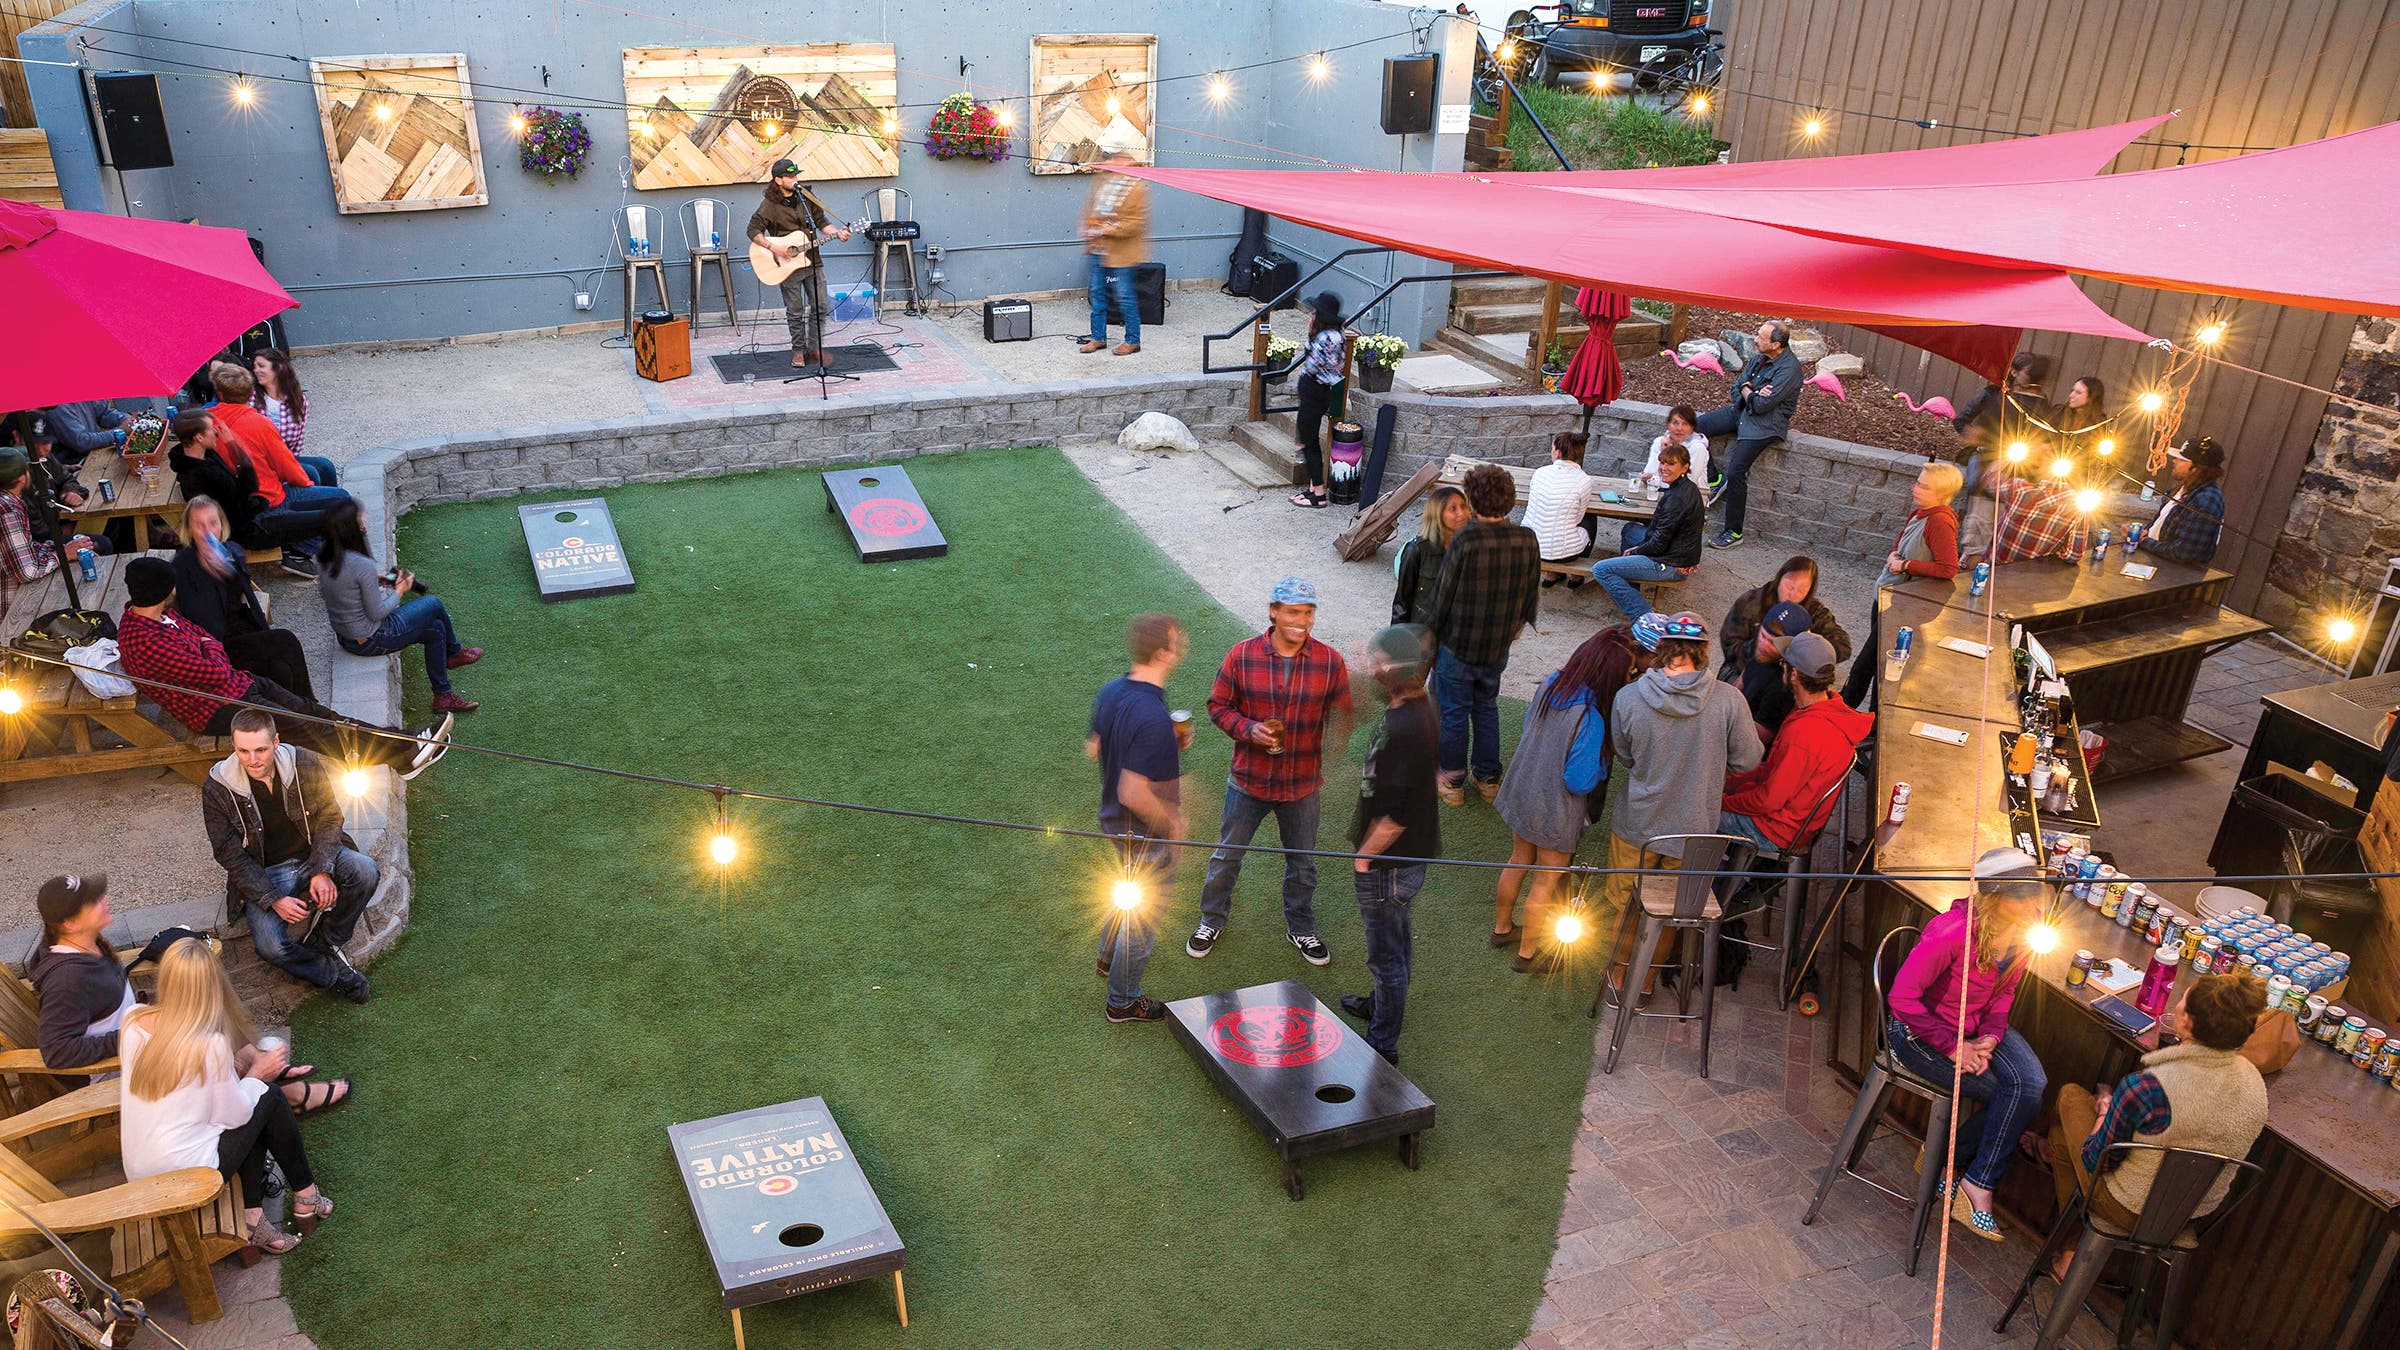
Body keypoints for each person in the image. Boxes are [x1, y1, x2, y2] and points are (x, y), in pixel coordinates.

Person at [114, 556, 449, 777]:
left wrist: (209, 649)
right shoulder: (145, 641)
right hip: (218, 707)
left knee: (315, 713)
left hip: (236, 685)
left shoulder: (159, 613)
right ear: (163, 591)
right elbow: (213, 669)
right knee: (308, 725)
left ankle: (402, 749)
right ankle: (405, 749)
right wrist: (210, 650)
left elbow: (206, 641)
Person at [120, 940, 336, 1257]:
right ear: (213, 984)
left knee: (258, 1099)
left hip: (140, 1168)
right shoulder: (209, 1044)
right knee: (267, 1098)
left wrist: (234, 1076)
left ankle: (261, 1215)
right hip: (187, 1175)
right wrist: (258, 1072)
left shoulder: (133, 1020)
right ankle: (304, 1198)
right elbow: (235, 1117)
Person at [2044, 973, 2269, 1271]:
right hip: (2194, 1215)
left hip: (2130, 1209)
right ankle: (2071, 1250)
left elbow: (2094, 1160)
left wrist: (2104, 1112)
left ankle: (2073, 1249)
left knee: (2071, 1099)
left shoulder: (2149, 1087)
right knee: (2060, 1140)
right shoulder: (2255, 1084)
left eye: (2182, 1001)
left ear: (2187, 1022)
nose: (2177, 1005)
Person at [1886, 847, 2052, 1242]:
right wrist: (1952, 1047)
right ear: (1995, 897)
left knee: (2032, 1085)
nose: (2035, 907)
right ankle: (1970, 1177)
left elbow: (2004, 994)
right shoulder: (1953, 931)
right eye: (2024, 898)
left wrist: (1992, 1037)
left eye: (2037, 895)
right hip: (1919, 1033)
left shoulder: (2028, 933)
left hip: (1974, 1028)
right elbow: (1902, 998)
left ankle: (1962, 1170)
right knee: (2003, 1093)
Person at [1193, 578, 1352, 965]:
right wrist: (1249, 730)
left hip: (1302, 786)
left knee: (1302, 863)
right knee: (1227, 856)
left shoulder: (1330, 661)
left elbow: (1344, 710)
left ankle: (1300, 928)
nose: (1304, 620)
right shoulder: (1241, 656)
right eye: (1295, 612)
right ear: (1274, 611)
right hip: (1248, 781)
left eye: (1309, 612)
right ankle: (1210, 919)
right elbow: (1217, 705)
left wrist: (1335, 746)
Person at [1595, 612, 1763, 977]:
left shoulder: (1628, 697)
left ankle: (1617, 979)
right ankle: (1646, 984)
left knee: (1625, 909)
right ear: (1703, 652)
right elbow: (1749, 759)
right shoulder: (1729, 701)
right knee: (1669, 914)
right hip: (1694, 833)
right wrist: (1711, 766)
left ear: (1661, 648)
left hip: (1636, 827)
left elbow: (1625, 756)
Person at [202, 709, 379, 1002]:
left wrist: (322, 869)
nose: (252, 760)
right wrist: (273, 898)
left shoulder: (304, 762)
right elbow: (228, 854)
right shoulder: (217, 787)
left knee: (365, 870)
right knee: (270, 946)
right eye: (242, 751)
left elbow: (330, 817)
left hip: (312, 855)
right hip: (266, 873)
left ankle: (327, 940)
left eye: (261, 749)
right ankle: (333, 973)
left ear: (276, 742)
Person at [1491, 627, 1619, 972]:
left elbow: (1527, 728)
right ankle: (1529, 954)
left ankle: (1502, 929)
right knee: (1546, 880)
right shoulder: (1591, 717)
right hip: (1557, 809)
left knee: (1517, 860)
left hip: (1523, 790)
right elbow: (1578, 781)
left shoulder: (1552, 682)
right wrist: (1602, 768)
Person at [1340, 625, 1439, 1065]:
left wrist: (1365, 858)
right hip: (1405, 857)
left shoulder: (1404, 726)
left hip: (1389, 864)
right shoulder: (1416, 706)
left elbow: (1394, 815)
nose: (1369, 664)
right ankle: (1379, 1006)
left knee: (1387, 956)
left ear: (1393, 672)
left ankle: (1382, 1044)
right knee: (1395, 943)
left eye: (1376, 659)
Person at [1087, 613, 1189, 1023]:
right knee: (1143, 917)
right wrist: (1174, 825)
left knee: (1124, 892)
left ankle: (1106, 957)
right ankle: (1123, 1000)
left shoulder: (1112, 691)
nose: (1181, 645)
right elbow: (1134, 791)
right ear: (1163, 652)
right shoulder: (1153, 719)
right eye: (1177, 641)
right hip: (1143, 834)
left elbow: (1095, 746)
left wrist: (1159, 745)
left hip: (1112, 822)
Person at [1425, 464, 1542, 805]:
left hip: (1458, 646)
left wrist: (1427, 636)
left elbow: (1442, 596)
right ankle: (1489, 780)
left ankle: (1452, 783)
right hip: (1497, 646)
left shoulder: (1466, 538)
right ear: (1510, 499)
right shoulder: (1527, 538)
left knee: (1454, 714)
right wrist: (1516, 628)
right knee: (1486, 708)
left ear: (1473, 501)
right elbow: (1530, 593)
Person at [27, 873, 217, 1071]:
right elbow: (57, 1052)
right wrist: (130, 1036)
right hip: (121, 1073)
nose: (104, 900)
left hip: (139, 1043)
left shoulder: (87, 944)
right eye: (92, 901)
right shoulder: (66, 981)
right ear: (70, 923)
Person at [318, 499, 481, 715]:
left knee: (435, 630)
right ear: (350, 527)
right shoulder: (360, 564)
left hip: (348, 638)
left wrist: (378, 579)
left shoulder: (323, 557)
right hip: (374, 637)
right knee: (433, 604)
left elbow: (346, 590)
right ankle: (455, 653)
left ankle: (443, 695)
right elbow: (377, 612)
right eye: (360, 517)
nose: (365, 518)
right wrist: (401, 589)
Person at [1719, 633, 1870, 855]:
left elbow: (1767, 801)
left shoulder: (1806, 734)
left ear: (1794, 674)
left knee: (1694, 809)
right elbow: (1769, 774)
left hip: (1776, 830)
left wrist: (1720, 801)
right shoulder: (1827, 706)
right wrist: (1729, 784)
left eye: (1783, 664)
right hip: (1791, 817)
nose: (1781, 668)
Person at [209, 363, 350, 579]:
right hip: (265, 503)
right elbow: (288, 468)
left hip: (230, 502)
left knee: (317, 469)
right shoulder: (258, 423)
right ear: (250, 392)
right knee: (342, 498)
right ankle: (298, 552)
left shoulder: (206, 420)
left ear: (219, 392)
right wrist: (307, 486)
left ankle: (307, 537)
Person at [1844, 461, 1966, 710]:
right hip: (1889, 595)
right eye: (1918, 482)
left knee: (1869, 664)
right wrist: (1894, 557)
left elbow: (1948, 568)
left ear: (1941, 494)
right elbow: (1900, 543)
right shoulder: (1921, 513)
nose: (1915, 488)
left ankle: (1850, 715)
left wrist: (1906, 565)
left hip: (1902, 604)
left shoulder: (1940, 521)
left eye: (1923, 486)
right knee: (1875, 661)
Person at [172, 496, 316, 699]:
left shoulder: (230, 551)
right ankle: (312, 711)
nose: (207, 532)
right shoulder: (183, 566)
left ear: (222, 525)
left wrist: (228, 569)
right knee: (285, 640)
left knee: (281, 670)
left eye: (213, 523)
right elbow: (204, 622)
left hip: (245, 629)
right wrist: (210, 578)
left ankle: (303, 718)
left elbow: (248, 601)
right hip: (219, 643)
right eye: (199, 525)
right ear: (188, 530)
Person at [1695, 321, 1801, 549]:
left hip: (1764, 425)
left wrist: (1747, 389)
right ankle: (1714, 479)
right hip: (1741, 412)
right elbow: (1736, 388)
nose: (1755, 339)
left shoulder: (1789, 370)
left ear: (1776, 344)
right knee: (1694, 427)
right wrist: (1748, 390)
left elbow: (1763, 405)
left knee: (1736, 472)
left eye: (1761, 337)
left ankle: (1733, 532)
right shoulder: (1759, 358)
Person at [748, 158, 853, 370]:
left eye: (797, 175)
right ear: (778, 180)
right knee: (795, 310)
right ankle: (798, 350)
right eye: (791, 177)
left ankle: (814, 347)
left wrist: (838, 233)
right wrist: (773, 247)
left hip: (812, 259)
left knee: (820, 305)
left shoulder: (806, 196)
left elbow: (822, 222)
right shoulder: (769, 205)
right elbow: (753, 230)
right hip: (785, 264)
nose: (796, 180)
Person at [1586, 441, 1703, 621]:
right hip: (1675, 550)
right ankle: (1632, 590)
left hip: (1671, 563)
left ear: (1685, 467)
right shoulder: (1685, 487)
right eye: (1662, 462)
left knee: (1601, 569)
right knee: (1630, 529)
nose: (1664, 468)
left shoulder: (1677, 499)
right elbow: (1660, 533)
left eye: (1671, 464)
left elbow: (1659, 544)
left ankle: (1643, 616)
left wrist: (1638, 550)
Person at [1078, 124, 1149, 358]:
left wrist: (1108, 229)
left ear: (1129, 160)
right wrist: (1088, 227)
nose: (1117, 161)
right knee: (1097, 294)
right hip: (1099, 250)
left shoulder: (1137, 187)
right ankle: (1098, 337)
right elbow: (1091, 207)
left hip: (1121, 253)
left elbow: (1136, 223)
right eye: (1114, 157)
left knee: (1124, 296)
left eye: (1121, 158)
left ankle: (1133, 340)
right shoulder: (1103, 180)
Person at [1718, 556, 1850, 681]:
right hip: (1743, 669)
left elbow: (1842, 645)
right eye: (1789, 586)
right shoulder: (1752, 601)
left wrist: (1803, 653)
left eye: (1801, 590)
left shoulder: (1813, 611)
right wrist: (1762, 647)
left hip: (1789, 677)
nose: (1792, 594)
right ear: (1779, 579)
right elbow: (1729, 644)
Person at [0, 447, 108, 586]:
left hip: (31, 571)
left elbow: (27, 548)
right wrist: (63, 554)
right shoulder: (8, 510)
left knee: (91, 549)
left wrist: (62, 547)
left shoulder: (9, 501)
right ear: (22, 478)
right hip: (16, 594)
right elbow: (27, 572)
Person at [1724, 600, 1816, 740]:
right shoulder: (1762, 651)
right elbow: (1742, 680)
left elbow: (1764, 734)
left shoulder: (1785, 683)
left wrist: (1722, 723)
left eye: (1773, 643)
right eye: (1763, 636)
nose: (1763, 645)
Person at [1288, 293, 1347, 509]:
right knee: (1309, 440)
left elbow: (1312, 365)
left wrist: (1309, 336)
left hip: (1315, 389)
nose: (1311, 314)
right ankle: (1313, 488)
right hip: (1320, 390)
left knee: (1308, 441)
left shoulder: (1325, 338)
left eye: (1315, 312)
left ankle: (1319, 494)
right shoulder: (1336, 334)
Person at [250, 348, 337, 486]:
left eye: (261, 366)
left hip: (286, 458)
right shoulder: (252, 398)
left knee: (326, 466)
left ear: (278, 368)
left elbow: (298, 442)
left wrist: (290, 464)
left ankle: (333, 506)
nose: (256, 370)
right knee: (311, 473)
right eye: (254, 366)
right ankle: (315, 503)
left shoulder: (298, 400)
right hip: (263, 461)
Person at [2139, 435, 2228, 565]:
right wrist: (2142, 532)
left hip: (2171, 574)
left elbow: (2184, 552)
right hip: (2153, 561)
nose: (2174, 461)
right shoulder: (2182, 489)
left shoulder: (2207, 500)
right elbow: (2158, 523)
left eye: (2181, 459)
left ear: (2197, 467)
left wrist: (2144, 541)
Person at [1524, 431, 1597, 582]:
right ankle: (1576, 576)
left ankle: (1551, 576)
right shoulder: (1584, 480)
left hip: (1529, 544)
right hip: (1563, 552)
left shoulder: (1539, 473)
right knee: (1590, 519)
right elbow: (1578, 518)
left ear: (1557, 452)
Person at [1390, 485, 1466, 625]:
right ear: (1437, 513)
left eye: (1463, 506)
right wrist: (1397, 641)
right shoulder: (1416, 550)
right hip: (1423, 632)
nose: (1462, 513)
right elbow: (1401, 604)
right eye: (1453, 509)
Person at [1991, 471, 2090, 565]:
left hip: (1993, 567)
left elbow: (1991, 483)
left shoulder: (2018, 488)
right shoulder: (2080, 509)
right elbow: (2073, 556)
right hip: (2030, 576)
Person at [1637, 403, 1712, 499]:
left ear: (1692, 427)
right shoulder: (1660, 442)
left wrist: (1654, 480)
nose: (1679, 428)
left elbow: (1688, 483)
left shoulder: (1697, 448)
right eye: (1675, 423)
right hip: (1659, 493)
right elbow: (1648, 473)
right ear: (1668, 424)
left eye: (1685, 424)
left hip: (1690, 498)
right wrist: (1664, 451)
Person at [39, 399, 127, 464]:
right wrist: (120, 431)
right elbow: (82, 442)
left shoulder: (82, 390)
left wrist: (127, 420)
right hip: (78, 463)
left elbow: (105, 413)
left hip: (97, 452)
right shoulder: (56, 408)